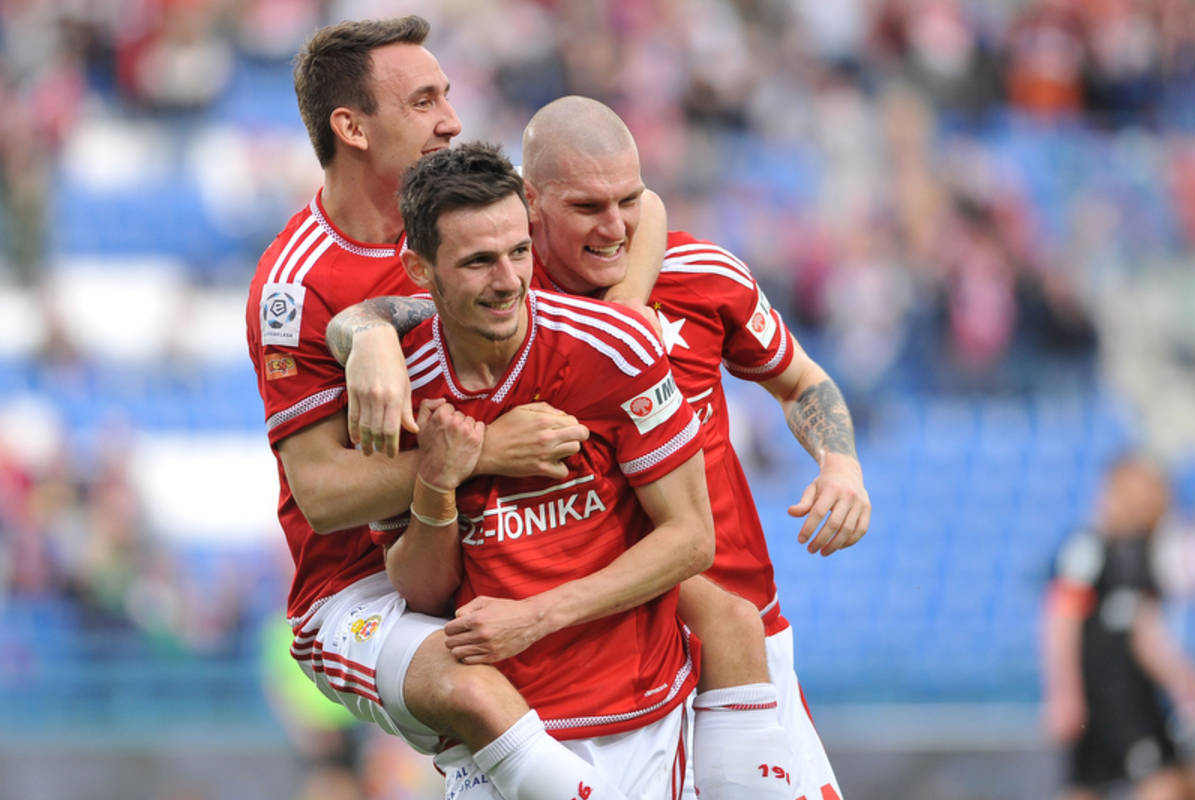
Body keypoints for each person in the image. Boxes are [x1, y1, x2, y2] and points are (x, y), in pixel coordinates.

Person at [329, 96, 871, 800]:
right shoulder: (501, 304)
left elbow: (800, 383)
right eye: (587, 206)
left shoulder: (702, 277)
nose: (615, 227)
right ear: (531, 203)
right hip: (604, 661)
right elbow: (386, 310)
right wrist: (368, 333)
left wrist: (840, 461)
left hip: (741, 637)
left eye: (628, 201)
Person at [246, 18, 670, 800]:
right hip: (364, 592)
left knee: (711, 600)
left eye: (446, 96)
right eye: (424, 102)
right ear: (352, 129)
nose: (450, 119)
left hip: (495, 556)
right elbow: (323, 494)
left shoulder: (476, 209)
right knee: (470, 685)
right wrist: (485, 450)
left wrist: (626, 317)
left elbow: (643, 211)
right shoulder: (296, 284)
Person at [373, 140, 716, 799]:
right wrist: (437, 482)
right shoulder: (399, 391)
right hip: (493, 739)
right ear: (420, 268)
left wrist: (535, 616)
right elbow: (421, 591)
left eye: (519, 252)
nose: (509, 280)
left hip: (632, 718)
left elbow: (692, 538)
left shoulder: (614, 348)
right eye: (479, 261)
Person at [1043, 454, 1195, 800]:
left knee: (1173, 780)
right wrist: (1064, 691)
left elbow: (1144, 634)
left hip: (1134, 692)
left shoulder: (1141, 555)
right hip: (1103, 694)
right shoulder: (1087, 549)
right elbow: (1061, 621)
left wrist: (1183, 680)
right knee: (1161, 783)